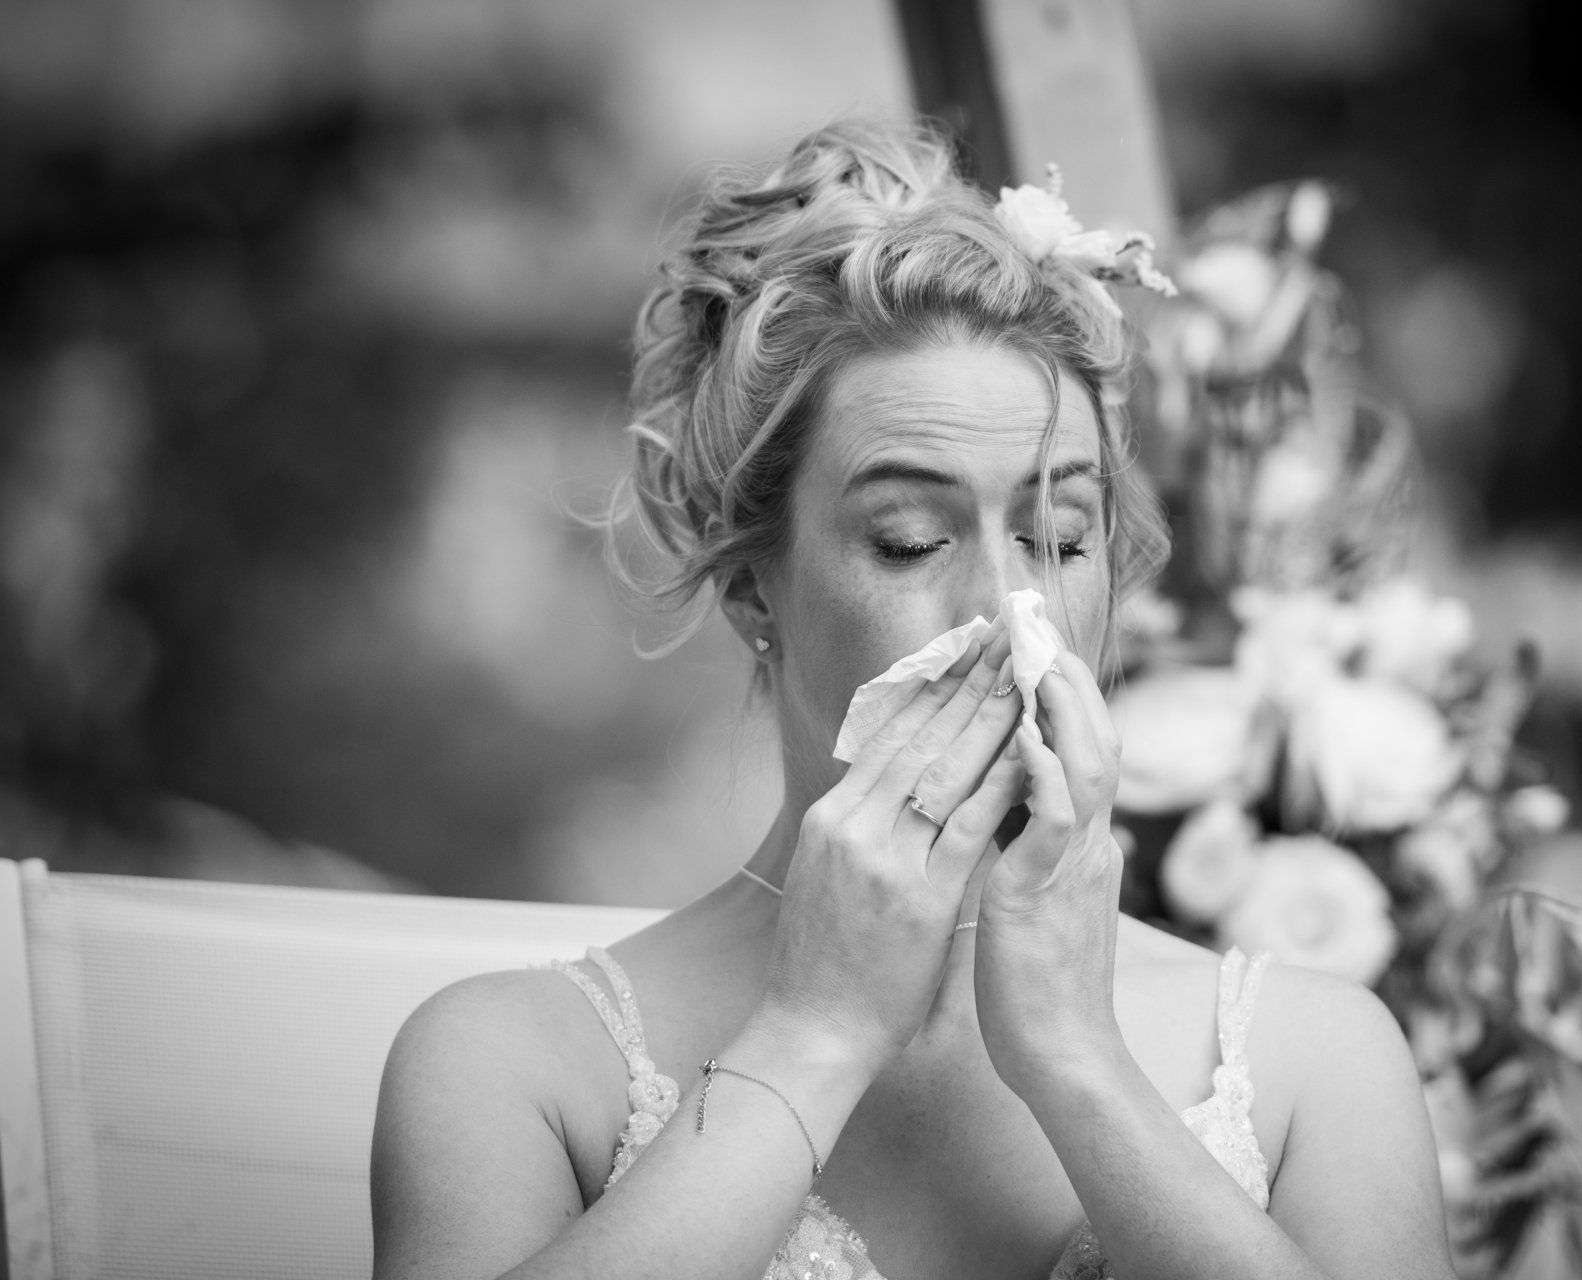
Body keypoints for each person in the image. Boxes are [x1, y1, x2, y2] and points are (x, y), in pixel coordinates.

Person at [370, 118, 1455, 1280]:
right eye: (909, 538)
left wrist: (1079, 1057)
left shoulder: (1316, 1056)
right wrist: (813, 1035)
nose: (1005, 607)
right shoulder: (510, 1062)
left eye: (1058, 534)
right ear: (752, 589)